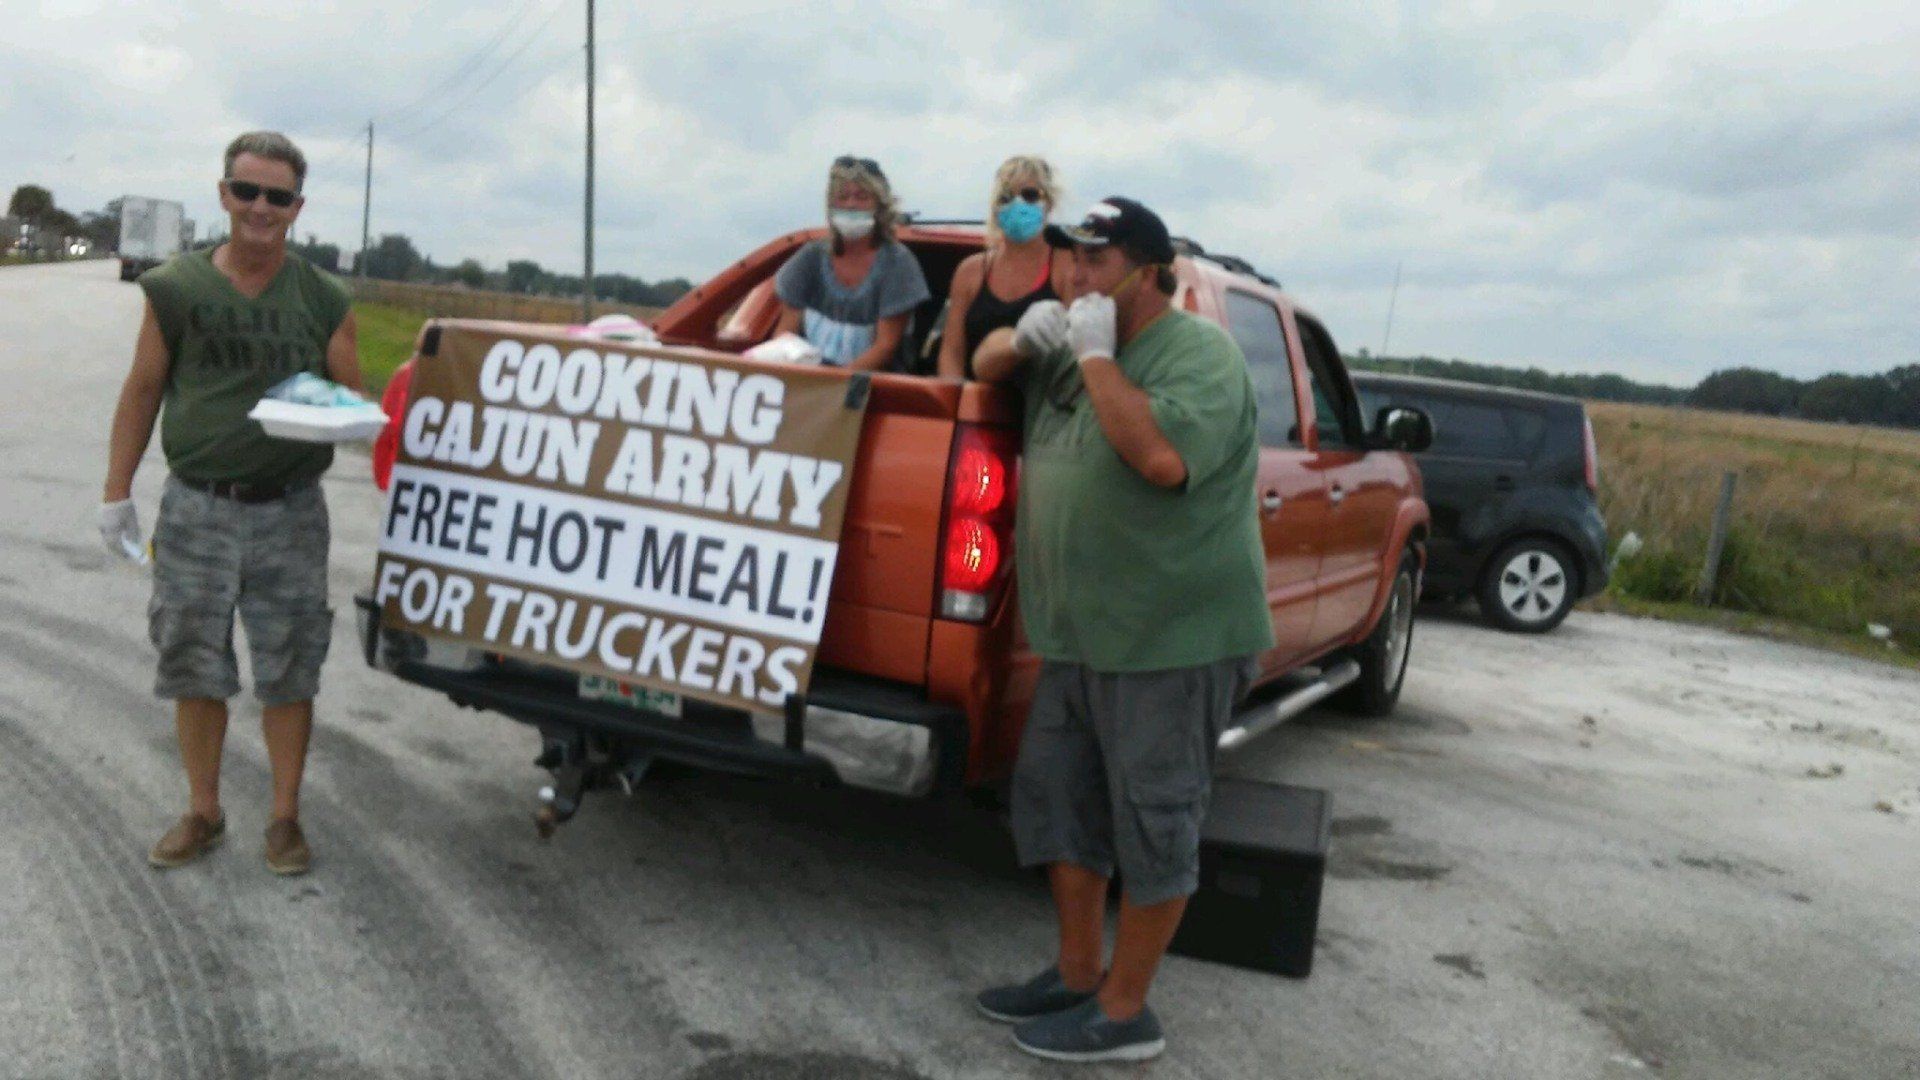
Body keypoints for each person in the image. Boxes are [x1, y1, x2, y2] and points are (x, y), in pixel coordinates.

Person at [971, 198, 1274, 1063]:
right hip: (1078, 634)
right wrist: (1023, 339)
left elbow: (1159, 459)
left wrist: (1097, 356)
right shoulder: (1065, 335)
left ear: (1147, 274)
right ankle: (1075, 975)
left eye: (1095, 262)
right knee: (1060, 803)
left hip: (1172, 637)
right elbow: (979, 363)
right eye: (1068, 258)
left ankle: (1126, 1009)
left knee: (1155, 818)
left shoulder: (1200, 356)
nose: (1074, 275)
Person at [99, 131, 362, 876]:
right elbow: (144, 387)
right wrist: (116, 492)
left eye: (277, 196)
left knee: (290, 665)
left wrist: (330, 412)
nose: (260, 207)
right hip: (197, 507)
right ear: (224, 194)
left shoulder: (324, 298)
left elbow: (354, 399)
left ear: (296, 208)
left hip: (289, 511)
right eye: (246, 190)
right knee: (193, 661)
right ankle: (203, 811)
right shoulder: (177, 286)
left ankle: (284, 819)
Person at [773, 155, 930, 371]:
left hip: (876, 388)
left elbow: (885, 347)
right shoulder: (811, 257)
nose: (851, 204)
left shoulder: (898, 264)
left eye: (861, 196)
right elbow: (785, 335)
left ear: (880, 205)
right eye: (843, 197)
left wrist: (833, 387)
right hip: (806, 381)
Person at [935, 155, 1070, 380]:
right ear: (995, 208)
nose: (1018, 204)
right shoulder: (971, 271)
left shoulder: (1067, 267)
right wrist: (955, 403)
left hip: (1041, 405)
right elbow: (951, 352)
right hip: (974, 403)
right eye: (1006, 197)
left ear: (1050, 204)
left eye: (1030, 195)